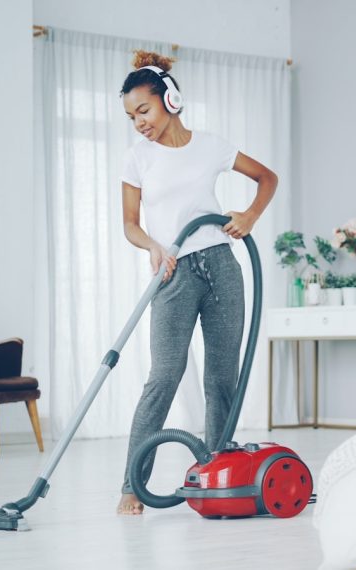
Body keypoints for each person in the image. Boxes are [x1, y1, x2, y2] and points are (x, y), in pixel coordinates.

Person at [117, 50, 277, 515]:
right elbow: (130, 224)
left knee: (221, 377)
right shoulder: (137, 159)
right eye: (130, 116)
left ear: (170, 99)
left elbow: (267, 177)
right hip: (173, 270)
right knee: (163, 377)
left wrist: (248, 215)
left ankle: (219, 472)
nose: (138, 123)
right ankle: (132, 485)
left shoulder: (211, 145)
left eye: (143, 110)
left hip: (222, 266)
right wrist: (151, 245)